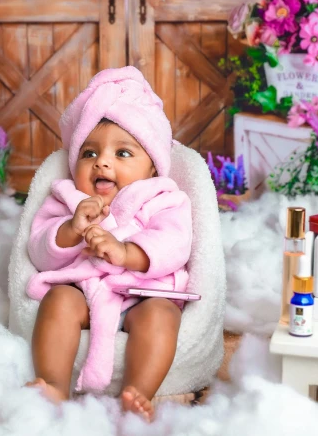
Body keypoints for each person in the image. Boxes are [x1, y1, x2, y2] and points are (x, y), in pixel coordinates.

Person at [24, 66, 193, 422]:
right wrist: (71, 229)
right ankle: (54, 383)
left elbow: (175, 242)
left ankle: (138, 393)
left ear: (152, 168)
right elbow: (38, 249)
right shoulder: (67, 198)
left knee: (162, 317)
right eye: (89, 153)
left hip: (142, 294)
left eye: (123, 153)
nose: (102, 161)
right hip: (84, 292)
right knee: (58, 300)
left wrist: (127, 253)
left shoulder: (163, 198)